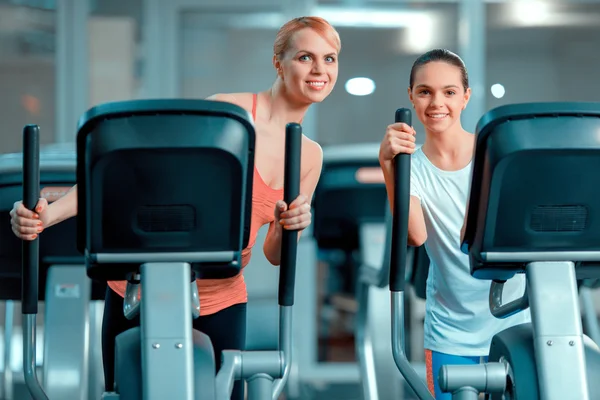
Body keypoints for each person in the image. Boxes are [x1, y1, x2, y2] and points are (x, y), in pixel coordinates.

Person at [10, 16, 341, 399]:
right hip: (140, 290)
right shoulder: (228, 115)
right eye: (305, 57)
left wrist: (290, 226)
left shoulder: (310, 156)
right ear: (278, 62)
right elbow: (132, 174)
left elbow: (275, 255)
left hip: (223, 299)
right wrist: (46, 216)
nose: (320, 70)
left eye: (330, 59)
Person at [378, 48, 529, 399]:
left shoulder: (495, 154)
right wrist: (389, 165)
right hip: (450, 328)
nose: (436, 102)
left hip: (512, 319)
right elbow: (416, 235)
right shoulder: (412, 166)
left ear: (466, 97)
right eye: (425, 91)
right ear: (411, 97)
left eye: (448, 92)